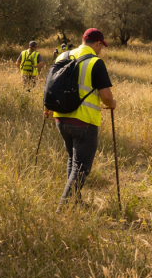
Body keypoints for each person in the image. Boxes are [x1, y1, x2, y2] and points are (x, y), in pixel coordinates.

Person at [45, 28, 116, 211]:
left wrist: (48, 109)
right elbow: (106, 97)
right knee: (82, 166)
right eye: (101, 46)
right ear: (98, 43)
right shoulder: (95, 62)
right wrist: (112, 103)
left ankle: (74, 201)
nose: (101, 50)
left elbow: (51, 86)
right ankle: (64, 206)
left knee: (73, 160)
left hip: (61, 119)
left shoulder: (62, 57)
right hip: (84, 121)